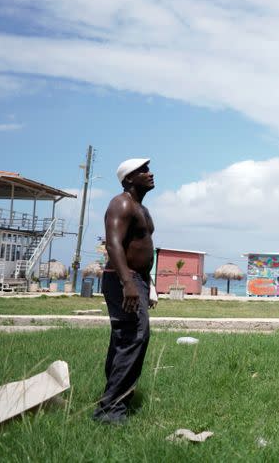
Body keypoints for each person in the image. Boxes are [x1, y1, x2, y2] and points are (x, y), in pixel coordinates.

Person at [93, 158, 157, 424]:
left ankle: (113, 402)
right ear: (129, 179)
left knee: (127, 338)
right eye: (143, 171)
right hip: (124, 279)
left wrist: (146, 283)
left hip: (136, 278)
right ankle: (110, 411)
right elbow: (113, 244)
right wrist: (128, 283)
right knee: (133, 337)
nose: (150, 173)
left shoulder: (140, 207)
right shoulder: (121, 204)